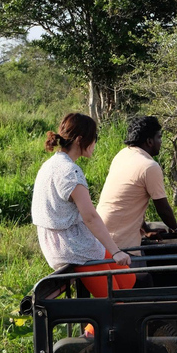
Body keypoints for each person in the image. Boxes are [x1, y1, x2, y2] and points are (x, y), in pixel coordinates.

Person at [32, 113, 134, 298]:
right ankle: (91, 329)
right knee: (116, 302)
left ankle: (94, 326)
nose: (95, 143)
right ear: (80, 140)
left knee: (128, 280)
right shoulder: (70, 171)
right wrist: (116, 251)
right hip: (73, 247)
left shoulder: (51, 164)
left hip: (70, 242)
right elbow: (90, 217)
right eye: (94, 138)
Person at [97, 116, 177, 261]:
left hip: (101, 234)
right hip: (121, 242)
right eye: (159, 137)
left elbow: (128, 201)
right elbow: (162, 208)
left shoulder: (123, 155)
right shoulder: (149, 166)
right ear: (149, 141)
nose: (161, 141)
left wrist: (146, 230)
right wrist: (176, 228)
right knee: (143, 280)